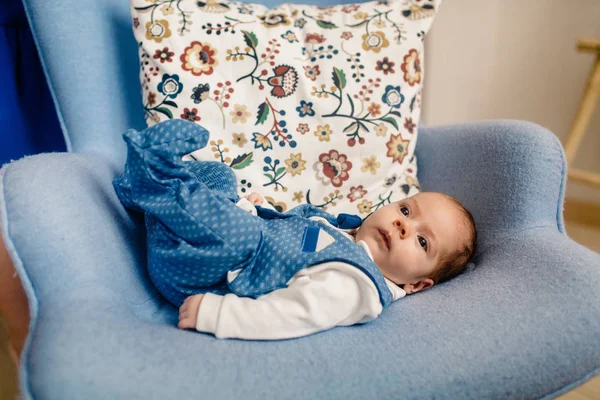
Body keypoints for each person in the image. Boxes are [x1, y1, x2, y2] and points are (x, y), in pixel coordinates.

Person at [113, 120, 477, 340]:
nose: (402, 226)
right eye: (406, 209)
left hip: (201, 276)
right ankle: (142, 193)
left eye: (422, 240)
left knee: (241, 234)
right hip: (199, 244)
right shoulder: (338, 229)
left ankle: (154, 179)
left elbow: (292, 315)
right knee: (223, 178)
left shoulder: (356, 283)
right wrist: (254, 208)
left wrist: (217, 315)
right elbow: (283, 232)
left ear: (416, 284)